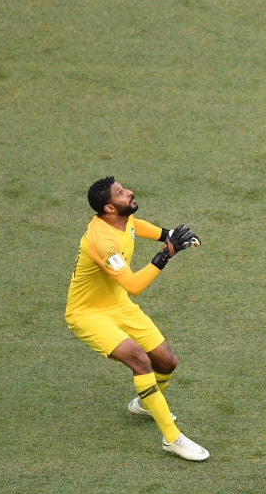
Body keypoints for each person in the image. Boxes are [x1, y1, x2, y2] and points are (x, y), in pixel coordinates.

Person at [65, 176, 209, 462]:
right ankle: (172, 438)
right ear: (108, 208)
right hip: (88, 314)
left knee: (167, 361)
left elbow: (134, 227)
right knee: (139, 360)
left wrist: (167, 235)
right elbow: (133, 285)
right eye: (120, 192)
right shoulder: (101, 242)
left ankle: (145, 404)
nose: (128, 192)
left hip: (118, 304)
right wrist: (166, 253)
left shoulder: (121, 220)